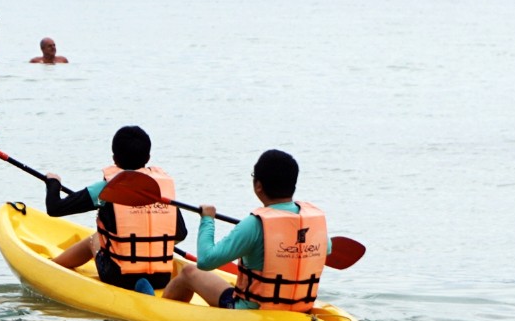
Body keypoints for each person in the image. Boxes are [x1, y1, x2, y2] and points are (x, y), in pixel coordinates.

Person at [162, 149, 326, 311]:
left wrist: (207, 219)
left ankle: (158, 313)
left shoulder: (254, 224)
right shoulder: (312, 222)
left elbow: (205, 261)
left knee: (189, 272)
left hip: (250, 312)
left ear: (258, 186)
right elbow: (328, 249)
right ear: (293, 184)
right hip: (300, 307)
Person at [44, 125, 188, 293]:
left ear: (115, 159)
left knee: (95, 239)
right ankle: (143, 280)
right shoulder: (162, 189)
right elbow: (180, 234)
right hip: (161, 277)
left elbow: (55, 208)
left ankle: (53, 267)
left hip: (119, 276)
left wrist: (53, 183)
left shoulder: (107, 189)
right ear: (148, 157)